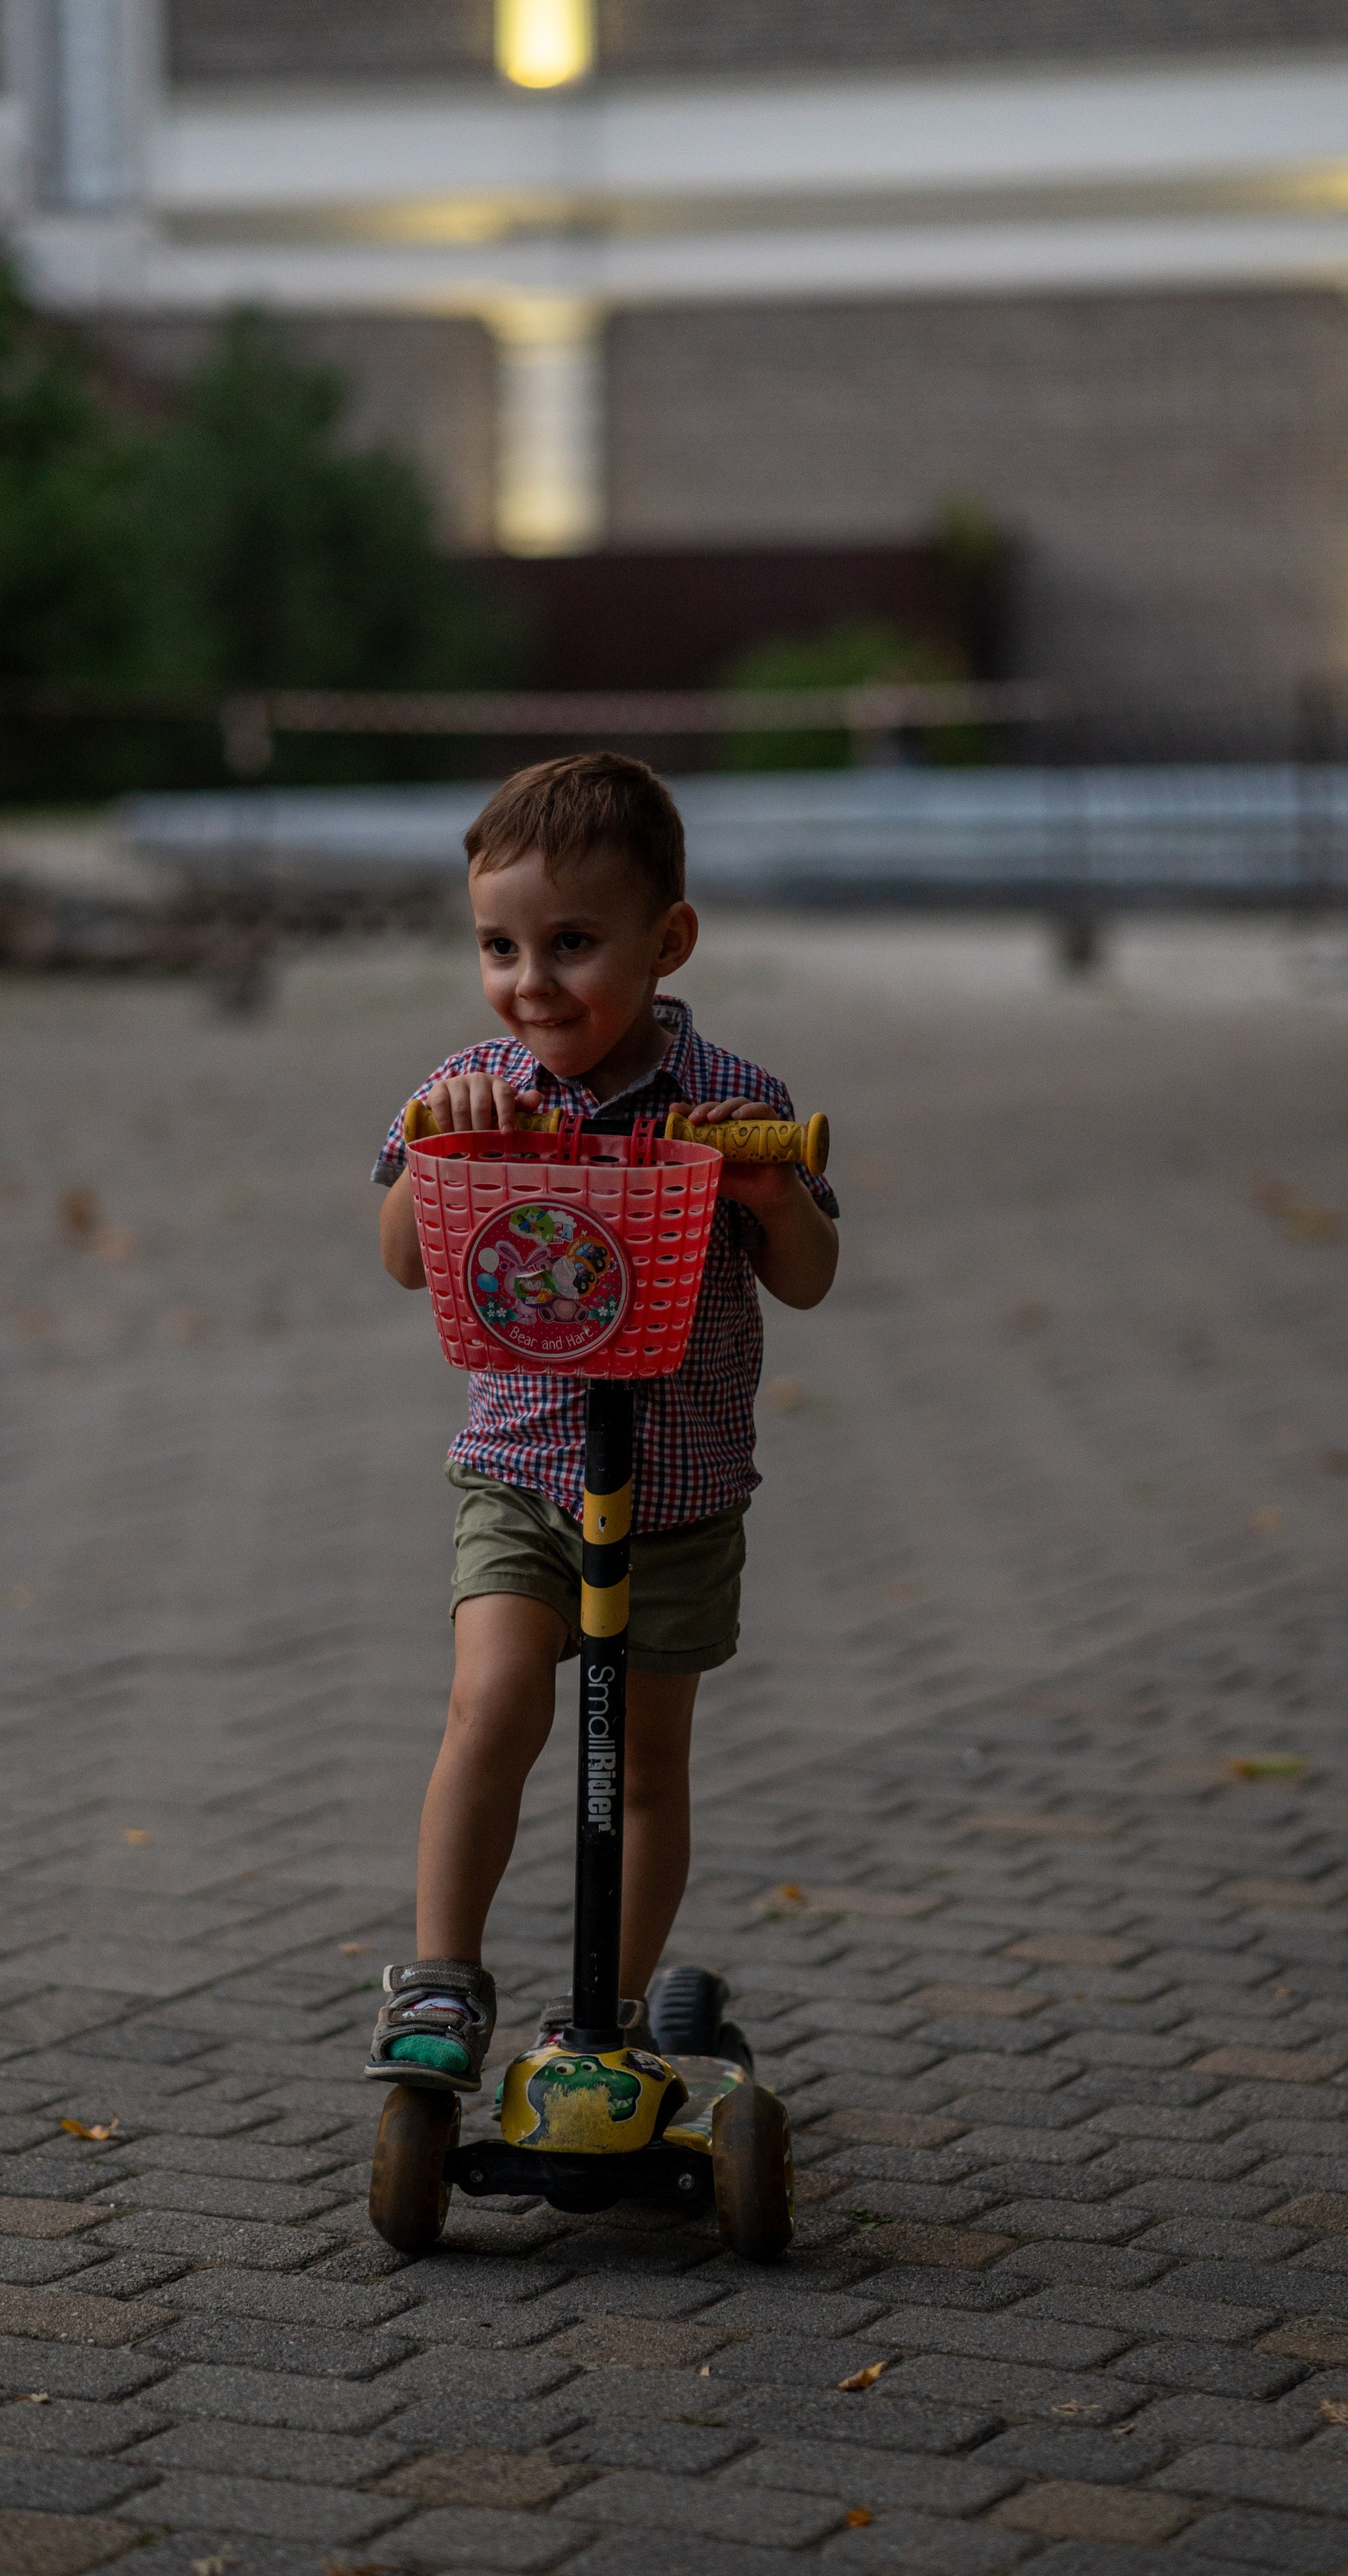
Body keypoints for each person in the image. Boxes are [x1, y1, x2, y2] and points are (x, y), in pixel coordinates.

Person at [364, 752, 839, 2092]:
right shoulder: (475, 1088)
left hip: (682, 1487)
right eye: (500, 946)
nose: (532, 982)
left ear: (666, 939)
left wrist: (771, 1197)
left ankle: (608, 2017)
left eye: (572, 944)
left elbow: (809, 1280)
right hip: (522, 1473)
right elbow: (403, 1256)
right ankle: (442, 1981)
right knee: (493, 1702)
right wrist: (449, 1150)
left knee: (637, 1767)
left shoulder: (733, 1095)